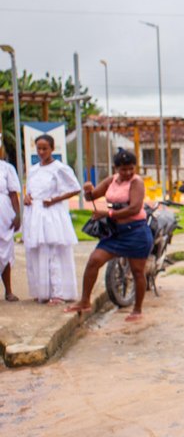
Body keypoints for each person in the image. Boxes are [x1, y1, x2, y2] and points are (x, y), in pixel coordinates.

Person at [65, 149, 152, 322]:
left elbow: (134, 208)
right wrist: (88, 190)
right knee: (94, 260)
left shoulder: (136, 182)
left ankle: (137, 309)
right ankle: (85, 301)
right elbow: (92, 197)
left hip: (136, 232)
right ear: (116, 168)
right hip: (115, 232)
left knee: (137, 271)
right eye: (123, 169)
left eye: (131, 168)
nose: (128, 173)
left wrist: (108, 214)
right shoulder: (111, 180)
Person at [23, 135, 81, 304]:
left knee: (53, 251)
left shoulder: (59, 168)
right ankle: (42, 291)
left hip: (51, 212)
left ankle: (59, 292)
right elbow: (31, 189)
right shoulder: (33, 170)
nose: (41, 152)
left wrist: (55, 199)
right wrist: (27, 197)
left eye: (45, 149)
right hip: (35, 213)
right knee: (36, 251)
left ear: (52, 149)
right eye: (39, 149)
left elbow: (75, 188)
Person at [0, 158, 21, 302]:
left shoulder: (6, 168)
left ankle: (8, 291)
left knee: (5, 251)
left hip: (4, 213)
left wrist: (17, 215)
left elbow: (13, 194)